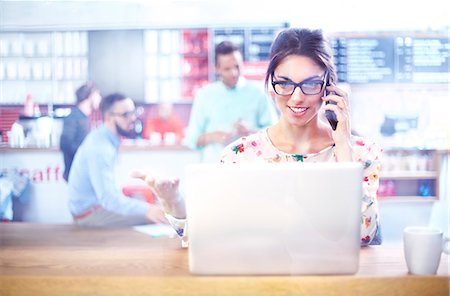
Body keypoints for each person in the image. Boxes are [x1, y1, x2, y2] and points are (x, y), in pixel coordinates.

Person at [134, 28, 382, 245]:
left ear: (329, 86)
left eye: (310, 84)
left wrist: (343, 147)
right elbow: (208, 236)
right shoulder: (239, 156)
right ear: (270, 84)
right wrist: (174, 200)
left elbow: (363, 234)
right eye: (284, 83)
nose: (296, 97)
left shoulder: (361, 152)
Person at [68, 93, 167, 227]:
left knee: (154, 210)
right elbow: (109, 200)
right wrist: (148, 210)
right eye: (126, 114)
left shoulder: (105, 139)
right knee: (154, 218)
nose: (133, 118)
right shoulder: (100, 148)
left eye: (133, 112)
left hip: (96, 207)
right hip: (89, 214)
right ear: (109, 118)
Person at [183, 40, 278, 162]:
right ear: (217, 68)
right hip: (214, 168)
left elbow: (275, 134)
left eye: (237, 66)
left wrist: (251, 132)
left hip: (250, 168)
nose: (234, 73)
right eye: (227, 69)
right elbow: (191, 139)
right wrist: (212, 136)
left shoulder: (258, 92)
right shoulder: (204, 95)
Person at [60, 82, 102, 181]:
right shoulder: (73, 117)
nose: (100, 98)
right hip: (76, 174)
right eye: (97, 95)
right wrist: (87, 153)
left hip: (83, 172)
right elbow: (65, 144)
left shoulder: (83, 117)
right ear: (90, 95)